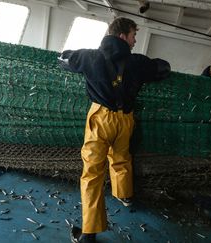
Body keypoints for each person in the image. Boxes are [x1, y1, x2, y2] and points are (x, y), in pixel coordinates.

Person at [58, 17, 171, 243]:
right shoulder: (138, 62)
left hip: (100, 119)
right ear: (122, 36)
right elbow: (163, 68)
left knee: (92, 173)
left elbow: (63, 58)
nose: (134, 40)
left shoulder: (89, 57)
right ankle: (125, 196)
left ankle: (89, 233)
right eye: (133, 36)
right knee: (121, 158)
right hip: (125, 119)